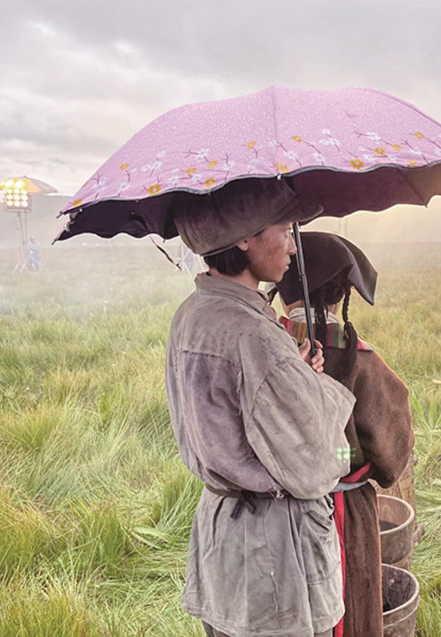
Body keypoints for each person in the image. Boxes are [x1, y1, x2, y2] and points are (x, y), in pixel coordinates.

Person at [165, 181, 357, 637]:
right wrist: (313, 385)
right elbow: (318, 463)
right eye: (284, 230)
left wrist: (291, 371)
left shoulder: (191, 315)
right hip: (272, 558)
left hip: (222, 542)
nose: (291, 246)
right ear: (245, 238)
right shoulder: (254, 336)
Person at [276, 232, 415, 637]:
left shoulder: (266, 345)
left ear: (285, 291)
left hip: (273, 512)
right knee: (350, 607)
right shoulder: (362, 359)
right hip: (345, 513)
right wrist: (347, 463)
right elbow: (391, 456)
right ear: (341, 295)